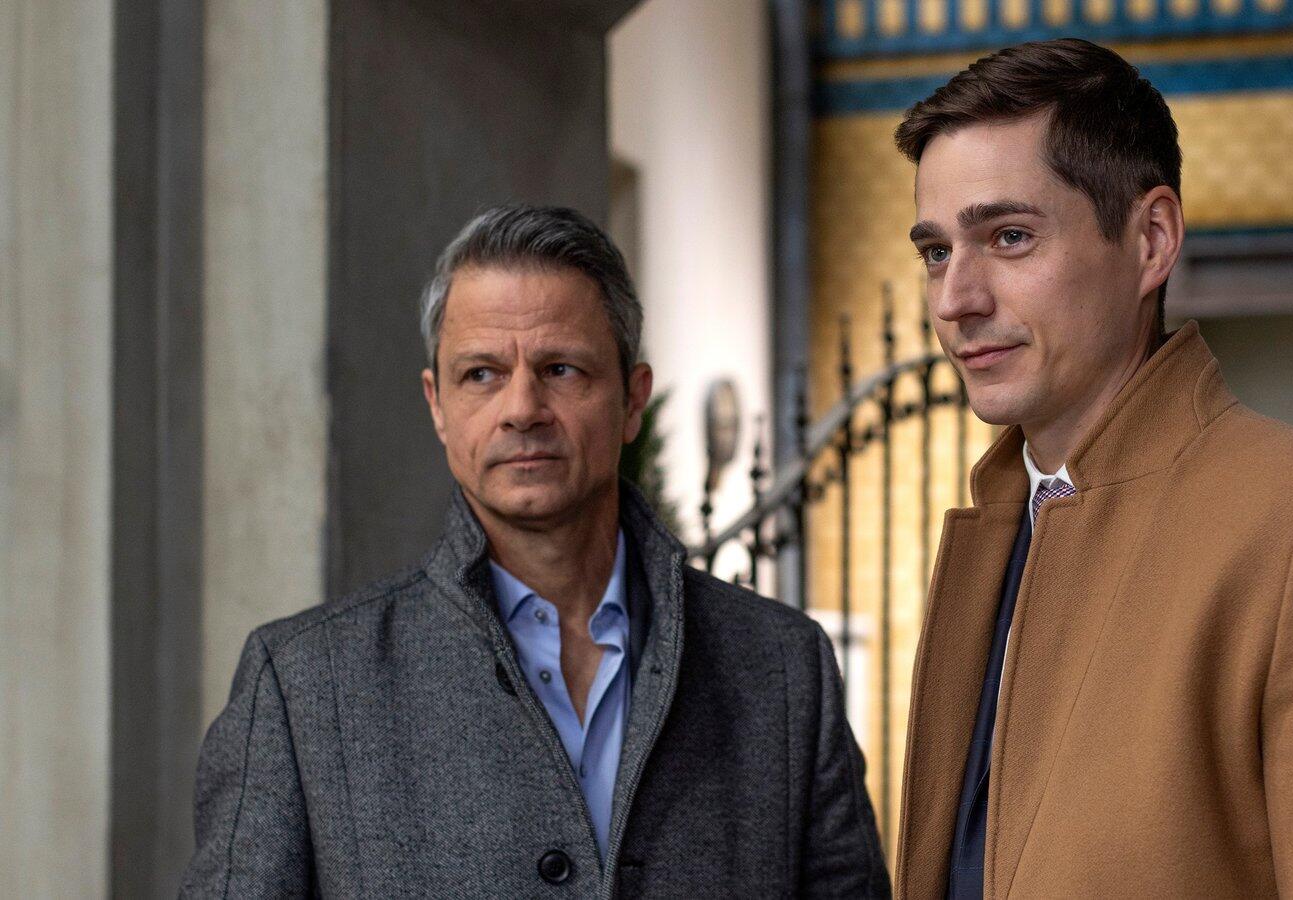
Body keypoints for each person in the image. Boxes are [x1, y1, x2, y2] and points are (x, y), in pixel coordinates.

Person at [893, 39, 1293, 898]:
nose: (955, 300)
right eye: (937, 252)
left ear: (1152, 239)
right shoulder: (1000, 532)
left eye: (1009, 237)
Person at [183, 205, 889, 897]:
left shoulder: (782, 668)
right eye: (481, 374)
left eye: (561, 369)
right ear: (437, 405)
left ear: (633, 399)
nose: (522, 408)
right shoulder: (303, 687)